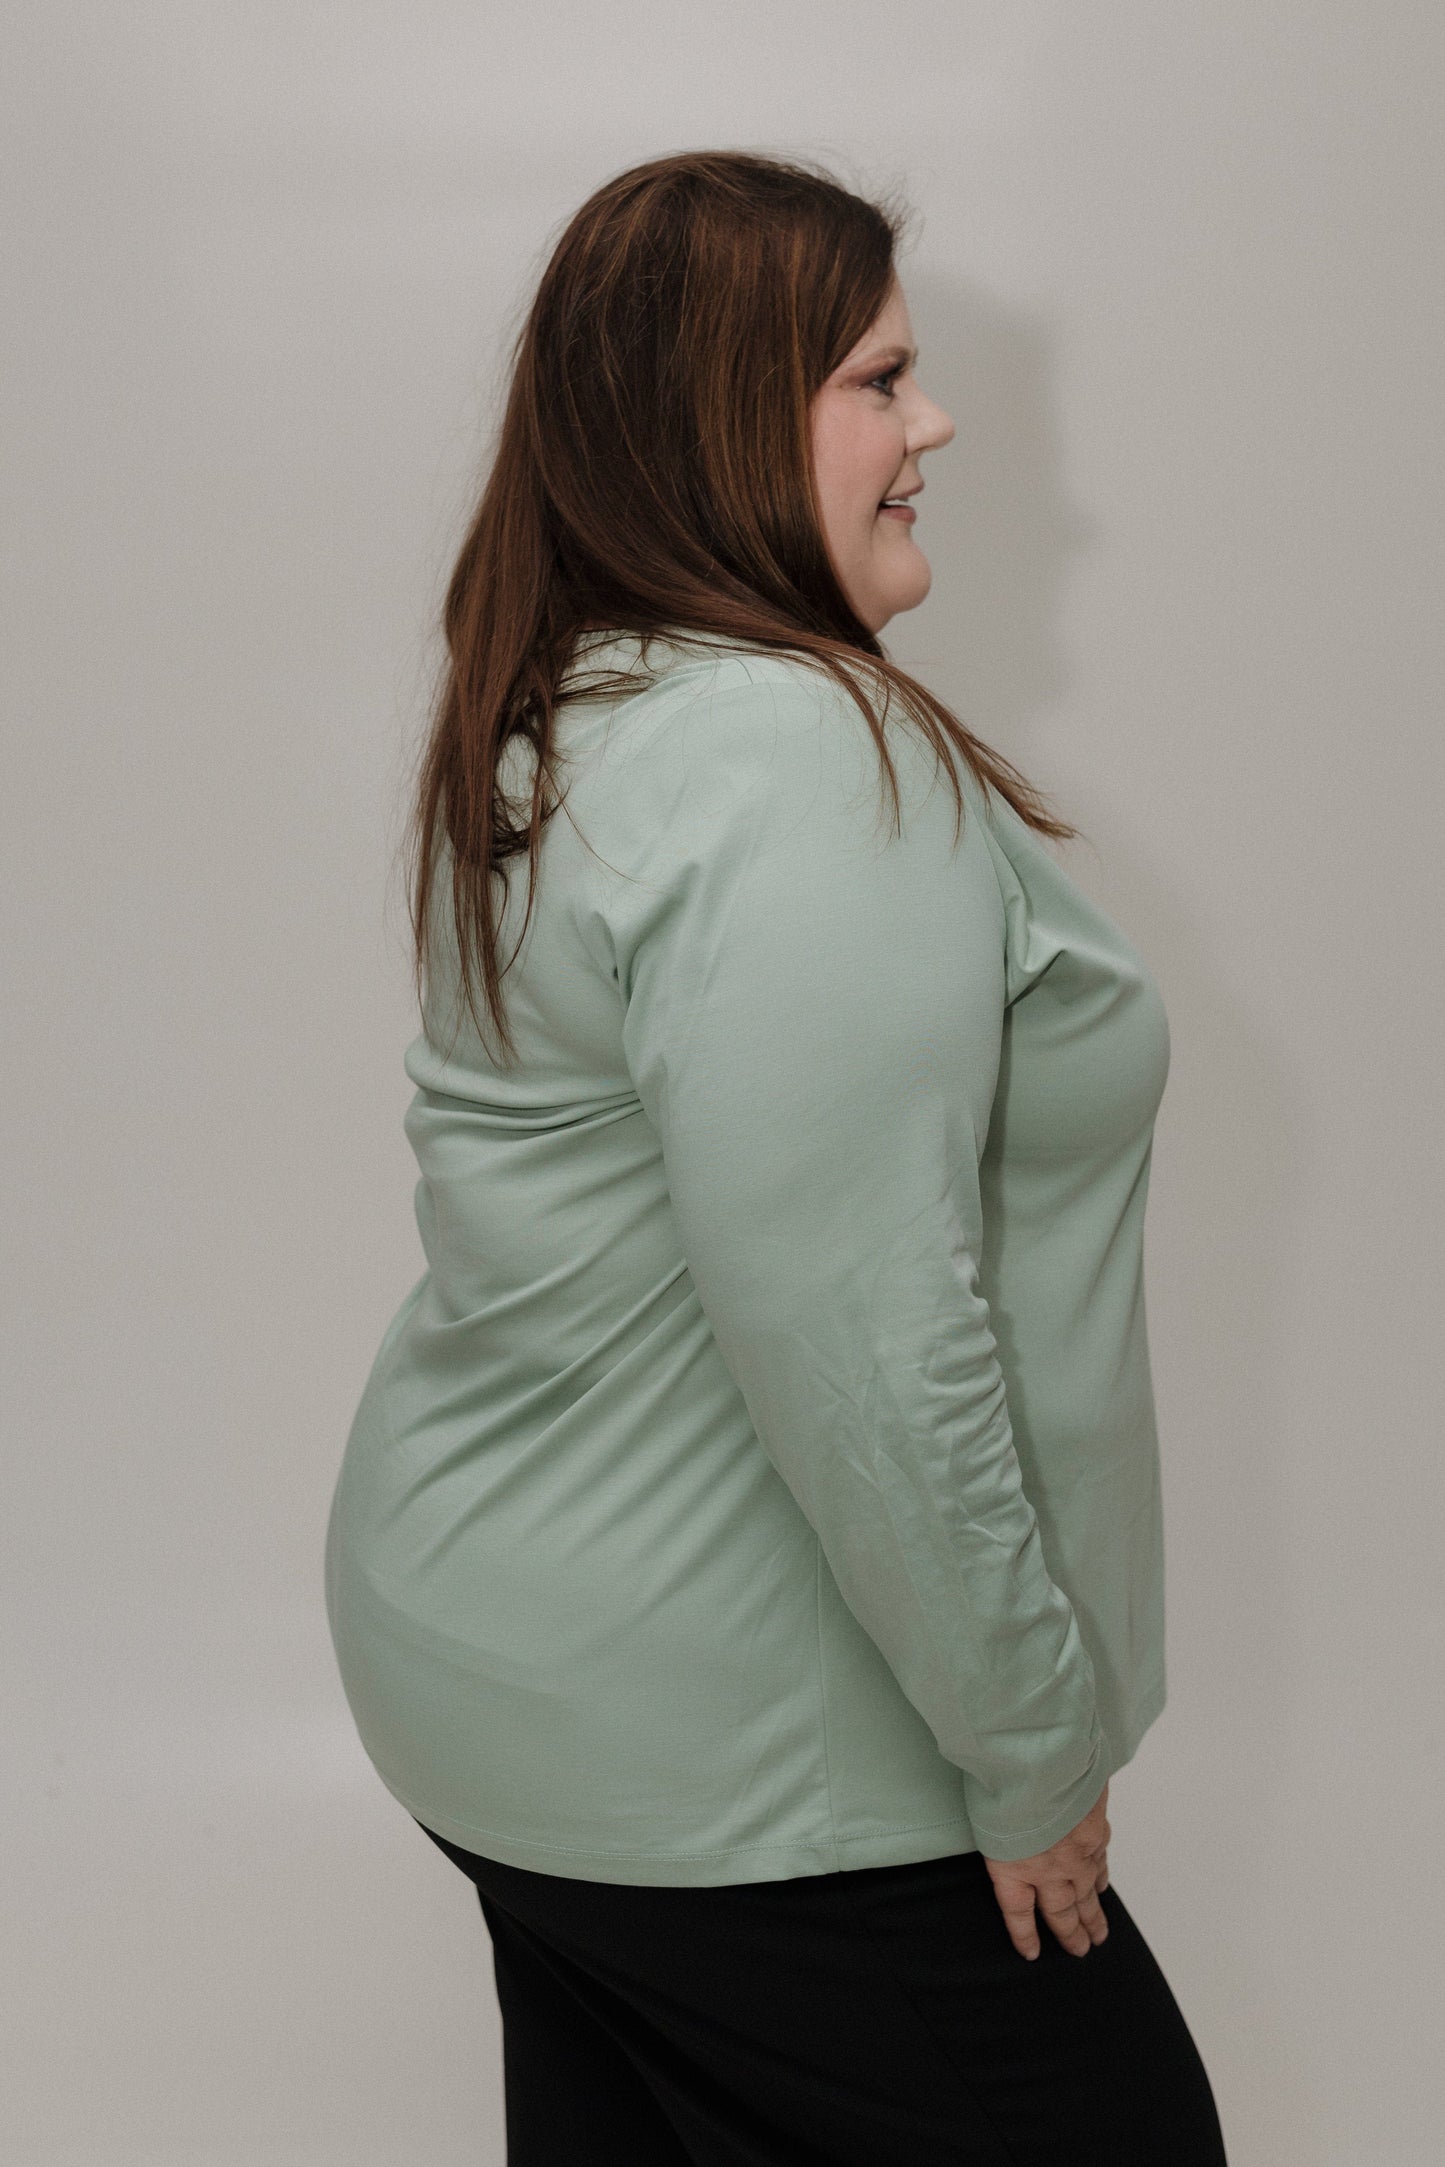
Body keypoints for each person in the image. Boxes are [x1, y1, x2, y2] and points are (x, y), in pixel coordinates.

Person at [324, 149, 1230, 2163]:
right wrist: (1026, 1750)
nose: (939, 424)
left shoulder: (586, 705)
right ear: (730, 420)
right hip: (737, 1740)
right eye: (879, 380)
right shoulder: (800, 764)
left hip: (502, 1664)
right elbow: (868, 1345)